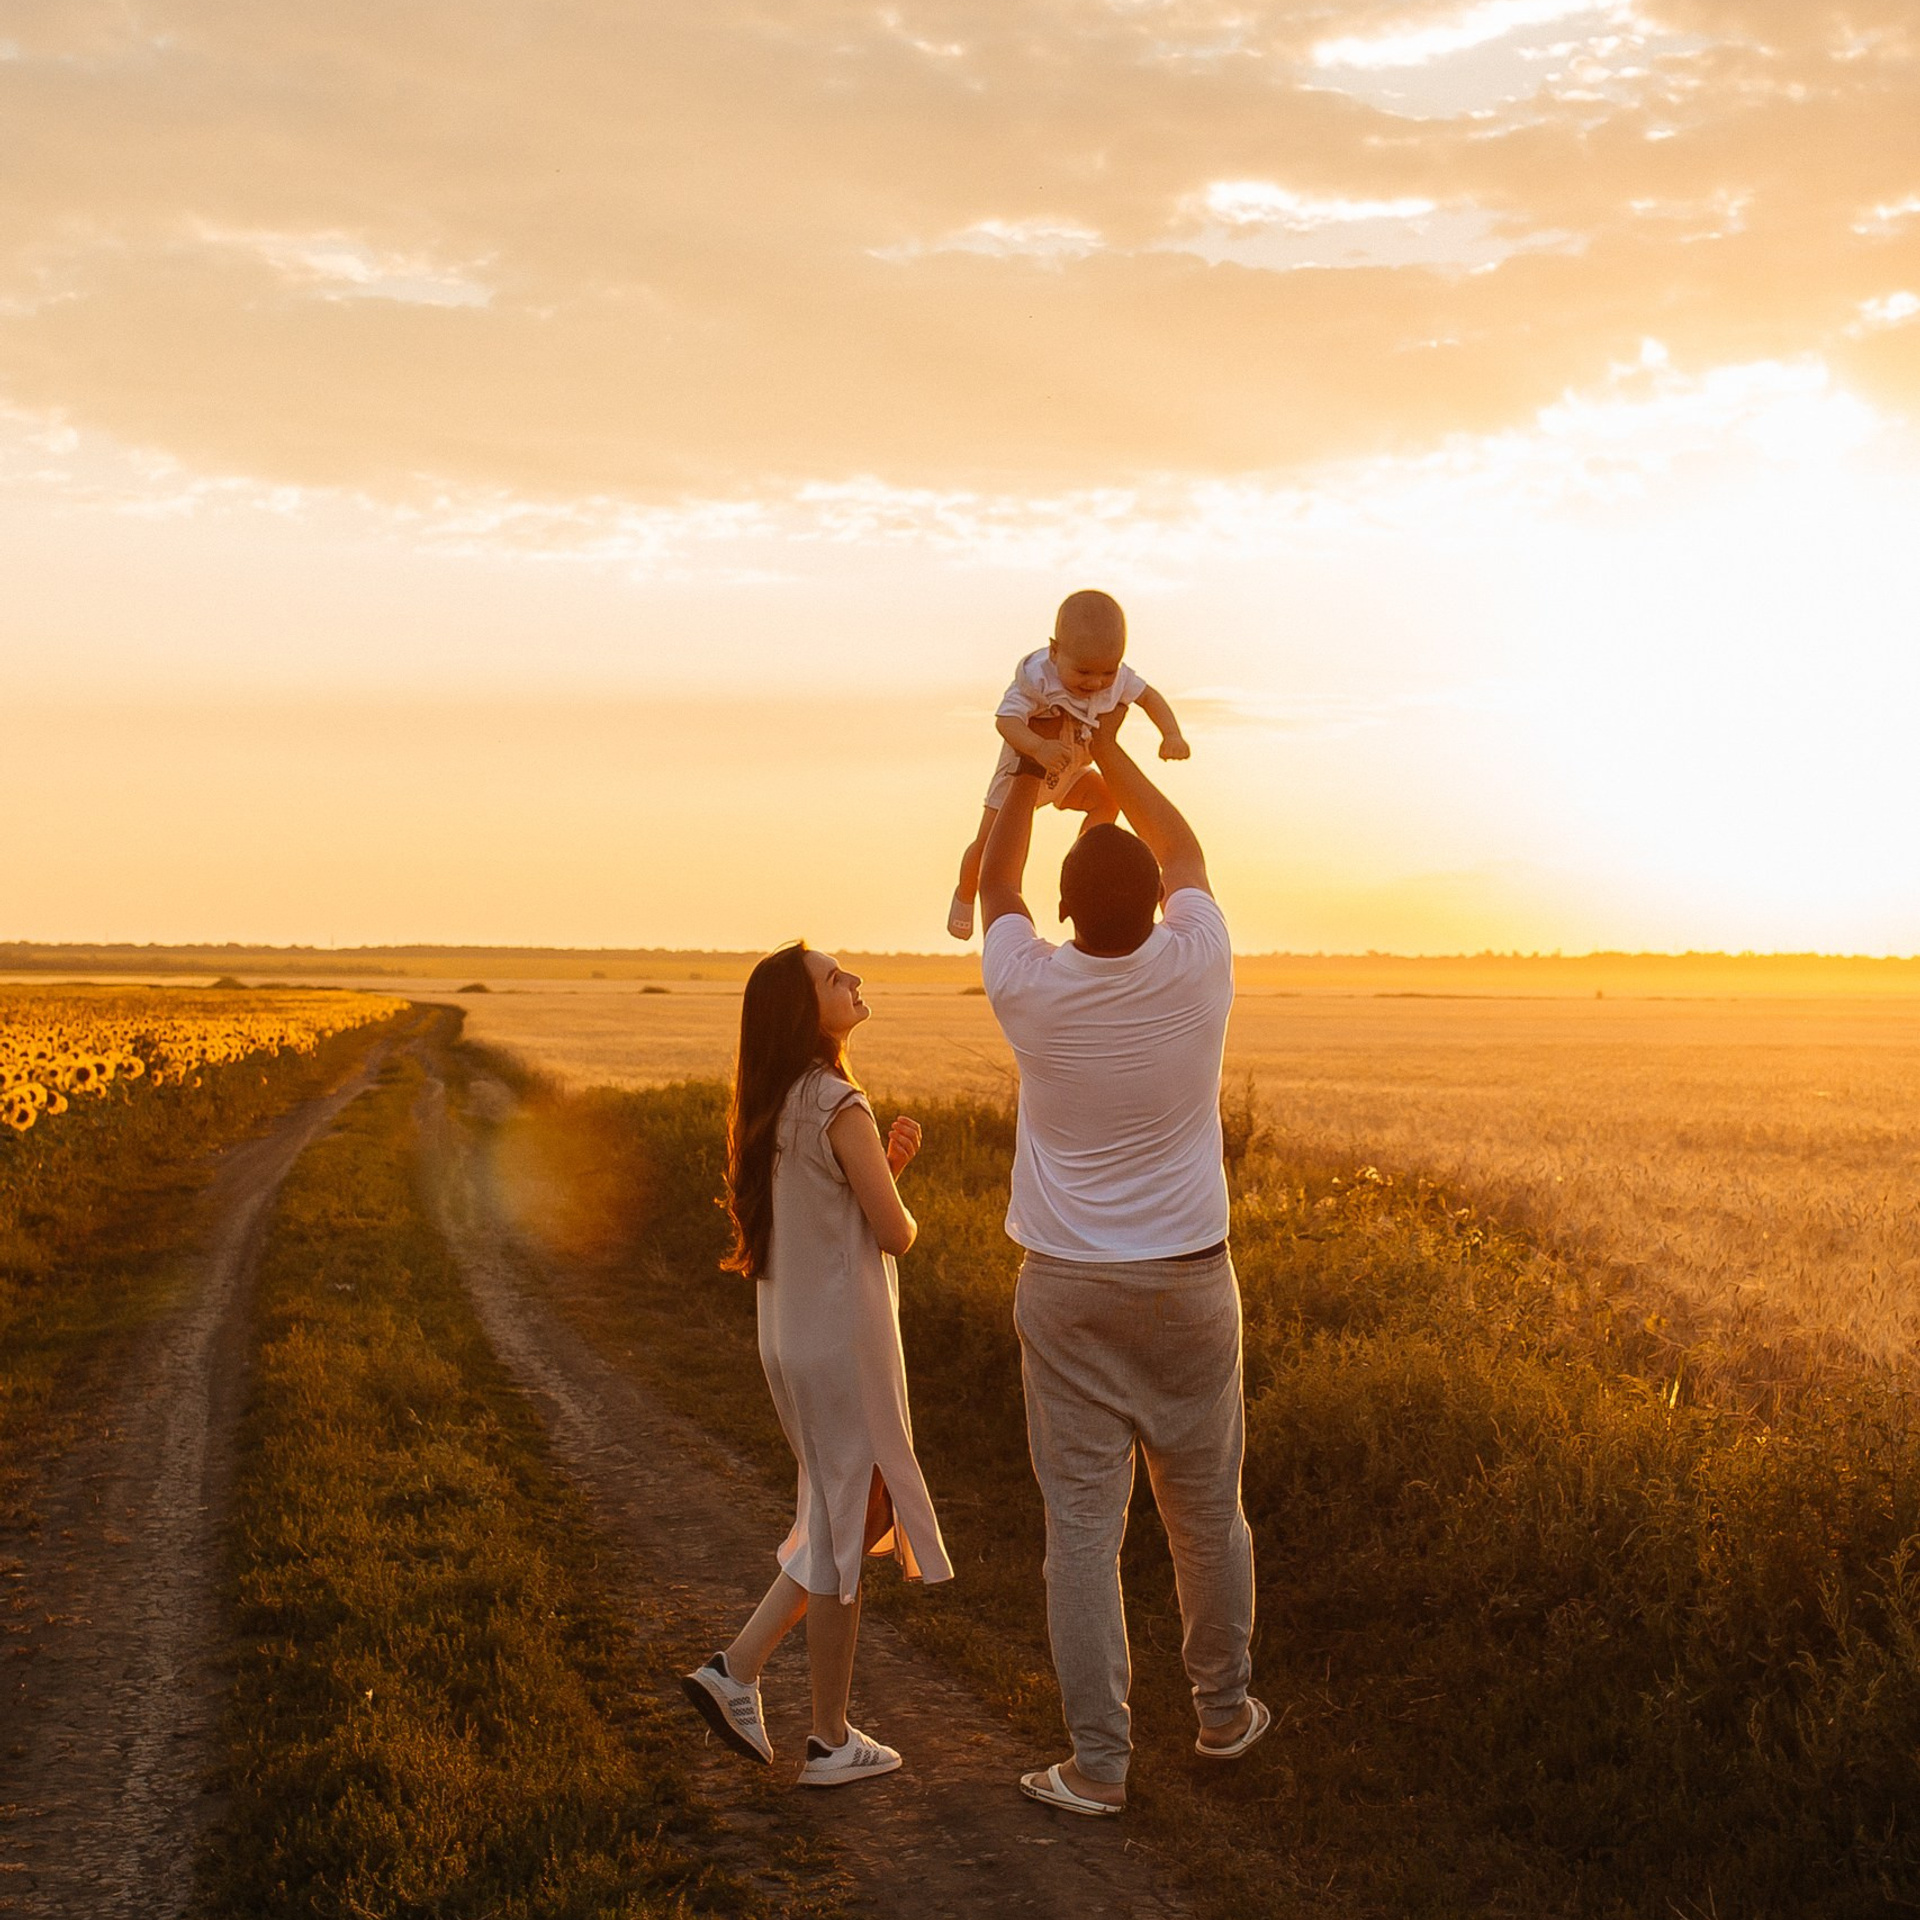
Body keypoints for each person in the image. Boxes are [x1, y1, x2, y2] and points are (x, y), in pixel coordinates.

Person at [976, 623, 1265, 1817]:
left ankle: (1098, 1765)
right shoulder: (1198, 964)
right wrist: (1113, 753)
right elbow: (1183, 840)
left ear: (1060, 910)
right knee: (1208, 1512)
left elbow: (993, 885)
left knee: (1083, 1536)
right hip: (1193, 1287)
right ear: (1157, 899)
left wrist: (1024, 772)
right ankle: (1223, 1711)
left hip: (1069, 1293)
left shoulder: (1030, 987)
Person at [681, 943, 953, 1787]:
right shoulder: (839, 1103)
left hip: (792, 1341)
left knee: (848, 1519)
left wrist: (885, 1168)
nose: (855, 983)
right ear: (808, 1012)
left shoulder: (773, 1104)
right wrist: (897, 1184)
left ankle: (746, 1674)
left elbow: (826, 1213)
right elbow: (895, 1232)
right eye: (838, 980)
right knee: (847, 1523)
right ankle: (823, 1733)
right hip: (842, 1344)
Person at [947, 588, 1190, 941]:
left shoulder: (1117, 678)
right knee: (987, 846)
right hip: (1022, 771)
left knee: (1107, 798)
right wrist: (1038, 747)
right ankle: (965, 894)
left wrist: (1171, 734)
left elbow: (1149, 698)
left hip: (1071, 768)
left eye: (1107, 673)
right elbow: (1006, 721)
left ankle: (1085, 863)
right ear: (1055, 650)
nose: (1096, 683)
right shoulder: (1036, 679)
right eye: (1084, 671)